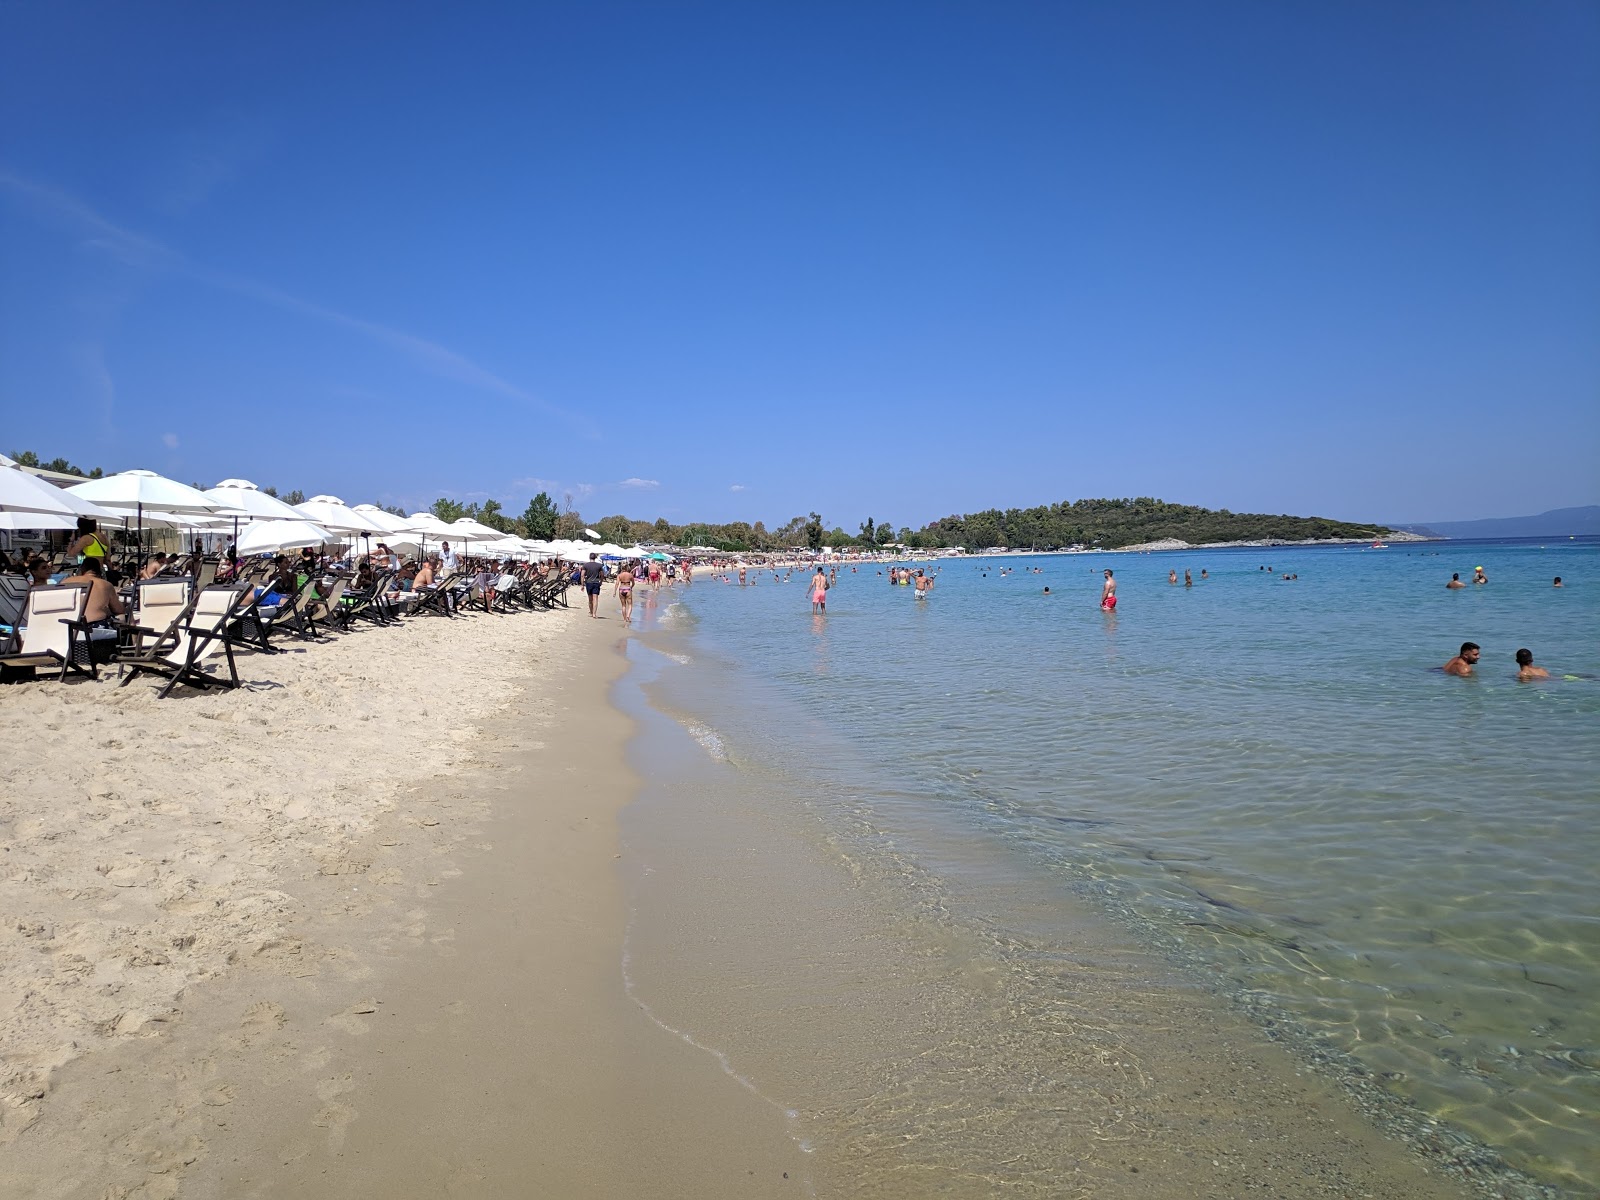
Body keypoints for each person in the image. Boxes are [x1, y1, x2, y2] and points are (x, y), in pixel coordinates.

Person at [61, 557, 125, 625]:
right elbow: (119, 610)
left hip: (66, 625)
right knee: (123, 616)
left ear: (81, 570)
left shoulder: (64, 582)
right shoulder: (105, 584)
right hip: (92, 628)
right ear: (100, 571)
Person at [580, 552, 605, 617]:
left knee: (590, 599)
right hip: (596, 582)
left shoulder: (585, 565)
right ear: (595, 558)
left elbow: (582, 575)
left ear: (589, 557)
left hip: (588, 582)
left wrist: (582, 585)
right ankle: (594, 614)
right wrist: (601, 581)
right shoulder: (599, 565)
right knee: (595, 598)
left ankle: (591, 612)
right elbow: (602, 575)